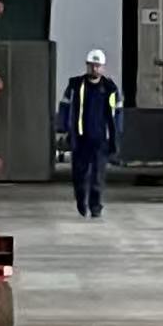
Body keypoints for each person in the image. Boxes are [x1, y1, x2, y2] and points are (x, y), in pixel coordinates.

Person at [57, 49, 121, 219]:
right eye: (92, 65)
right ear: (87, 65)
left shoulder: (110, 88)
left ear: (102, 67)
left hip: (101, 139)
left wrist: (115, 137)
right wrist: (63, 130)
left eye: (97, 66)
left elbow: (117, 114)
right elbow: (64, 108)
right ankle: (81, 202)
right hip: (80, 138)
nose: (94, 69)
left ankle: (95, 207)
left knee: (97, 177)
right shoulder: (75, 86)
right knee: (79, 175)